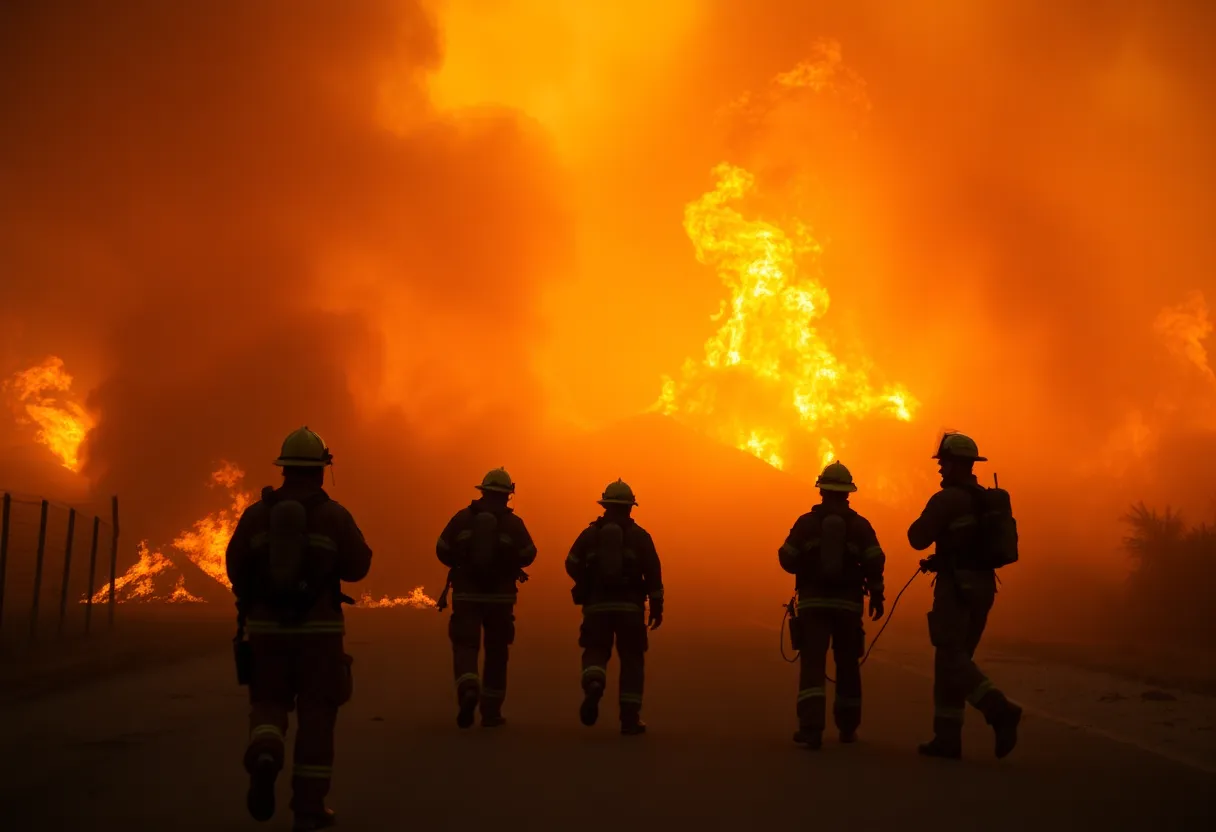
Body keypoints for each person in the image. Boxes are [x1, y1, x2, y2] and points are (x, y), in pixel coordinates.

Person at [226, 426, 372, 831]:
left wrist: (259, 599)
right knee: (317, 716)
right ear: (322, 470)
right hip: (319, 638)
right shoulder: (334, 516)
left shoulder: (256, 516)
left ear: (284, 469)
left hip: (267, 634)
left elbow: (235, 566)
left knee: (268, 702)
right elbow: (360, 566)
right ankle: (308, 808)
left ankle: (267, 747)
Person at [908, 432, 1022, 759]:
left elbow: (916, 537)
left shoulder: (947, 500)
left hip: (956, 588)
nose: (940, 468)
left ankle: (998, 709)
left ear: (957, 464)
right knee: (955, 660)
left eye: (944, 462)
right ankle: (946, 739)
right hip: (984, 587)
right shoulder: (984, 499)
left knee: (950, 657)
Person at [778, 461, 886, 749]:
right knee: (848, 665)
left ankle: (811, 729)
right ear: (848, 493)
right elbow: (875, 560)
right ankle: (848, 728)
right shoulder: (861, 526)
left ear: (822, 490)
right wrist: (877, 595)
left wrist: (807, 558)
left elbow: (786, 558)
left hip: (813, 605)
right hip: (848, 607)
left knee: (813, 666)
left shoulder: (806, 523)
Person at [436, 468, 537, 728]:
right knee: (497, 652)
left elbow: (442, 549)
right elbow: (529, 553)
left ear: (482, 492)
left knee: (466, 646)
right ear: (507, 496)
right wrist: (509, 560)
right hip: (500, 600)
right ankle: (491, 712)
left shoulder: (461, 519)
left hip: (467, 595)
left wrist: (462, 562)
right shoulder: (514, 524)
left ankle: (469, 686)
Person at [565, 480, 664, 735]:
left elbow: (571, 562)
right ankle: (629, 719)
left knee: (595, 650)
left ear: (606, 505)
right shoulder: (641, 537)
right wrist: (656, 607)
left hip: (597, 606)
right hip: (630, 609)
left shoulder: (590, 535)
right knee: (632, 659)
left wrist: (586, 582)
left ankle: (595, 682)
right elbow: (653, 574)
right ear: (630, 507)